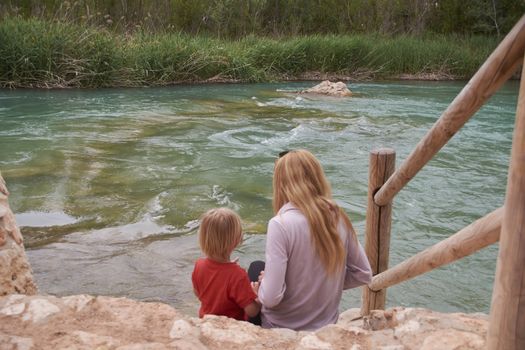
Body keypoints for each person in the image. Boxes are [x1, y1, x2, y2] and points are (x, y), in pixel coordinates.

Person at [255, 149, 372, 331]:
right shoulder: (339, 218)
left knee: (255, 270)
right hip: (325, 326)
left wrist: (262, 286)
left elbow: (271, 299)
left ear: (281, 183)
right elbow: (363, 274)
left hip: (281, 327)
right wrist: (324, 286)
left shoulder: (280, 224)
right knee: (260, 266)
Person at [192, 208, 261, 321]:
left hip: (206, 320)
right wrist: (258, 297)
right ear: (236, 240)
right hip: (231, 326)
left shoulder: (199, 265)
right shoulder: (237, 275)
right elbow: (252, 311)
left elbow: (198, 293)